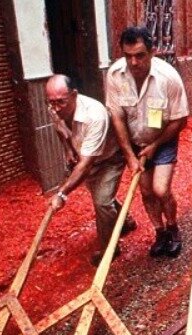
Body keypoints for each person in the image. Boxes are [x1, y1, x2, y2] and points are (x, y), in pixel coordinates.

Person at [106, 27, 189, 258]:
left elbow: (179, 120)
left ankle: (173, 229)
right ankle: (160, 232)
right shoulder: (114, 75)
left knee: (160, 189)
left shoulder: (169, 78)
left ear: (152, 52)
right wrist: (130, 156)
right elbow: (117, 118)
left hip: (163, 138)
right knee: (145, 191)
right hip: (134, 141)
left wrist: (155, 145)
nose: (134, 62)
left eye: (140, 55)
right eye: (128, 55)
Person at [45, 75, 126, 265]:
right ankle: (126, 221)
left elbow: (86, 164)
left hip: (108, 159)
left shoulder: (94, 115)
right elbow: (59, 127)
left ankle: (110, 250)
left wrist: (62, 193)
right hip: (84, 156)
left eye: (61, 102)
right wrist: (67, 149)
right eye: (51, 102)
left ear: (74, 95)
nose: (56, 108)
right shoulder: (54, 107)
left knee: (102, 201)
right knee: (103, 197)